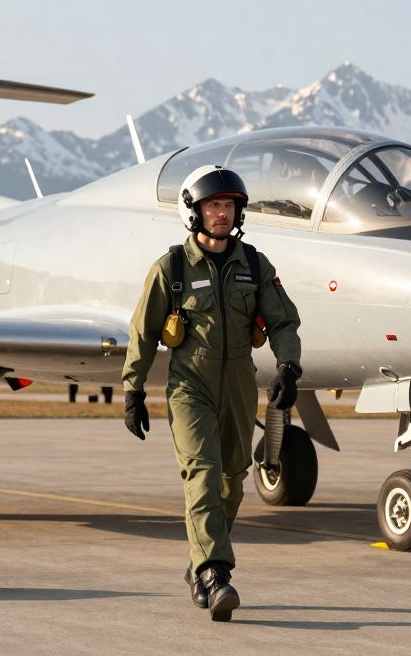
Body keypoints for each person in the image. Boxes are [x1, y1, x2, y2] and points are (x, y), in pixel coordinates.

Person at [122, 165, 302, 622]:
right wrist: (133, 390)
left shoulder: (255, 266)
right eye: (213, 206)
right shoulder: (172, 269)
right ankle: (216, 573)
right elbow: (142, 333)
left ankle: (198, 562)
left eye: (228, 206)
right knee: (201, 472)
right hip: (190, 384)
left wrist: (287, 366)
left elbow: (282, 321)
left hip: (239, 381)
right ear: (195, 212)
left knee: (231, 480)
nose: (222, 214)